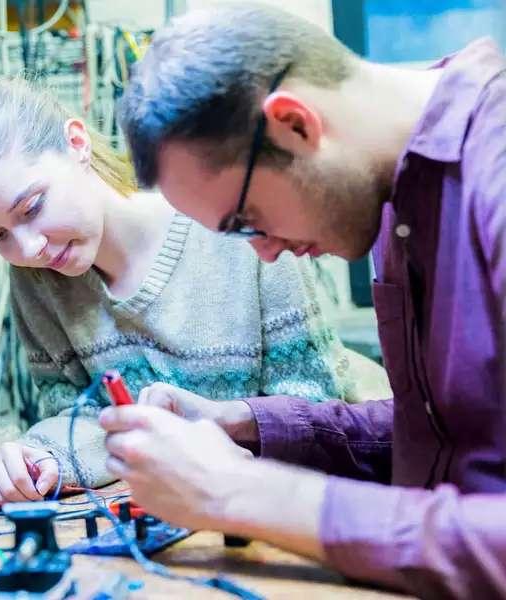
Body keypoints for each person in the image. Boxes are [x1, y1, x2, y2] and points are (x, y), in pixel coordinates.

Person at [102, 4, 506, 598]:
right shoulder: (391, 196)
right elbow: (456, 434)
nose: (263, 254)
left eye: (246, 222)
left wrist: (238, 493)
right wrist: (242, 426)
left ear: (294, 124)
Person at [0, 75, 389, 507]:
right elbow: (78, 417)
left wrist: (221, 439)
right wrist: (40, 456)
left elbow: (313, 405)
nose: (30, 247)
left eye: (32, 208)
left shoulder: (234, 228)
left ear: (76, 144)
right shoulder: (37, 279)